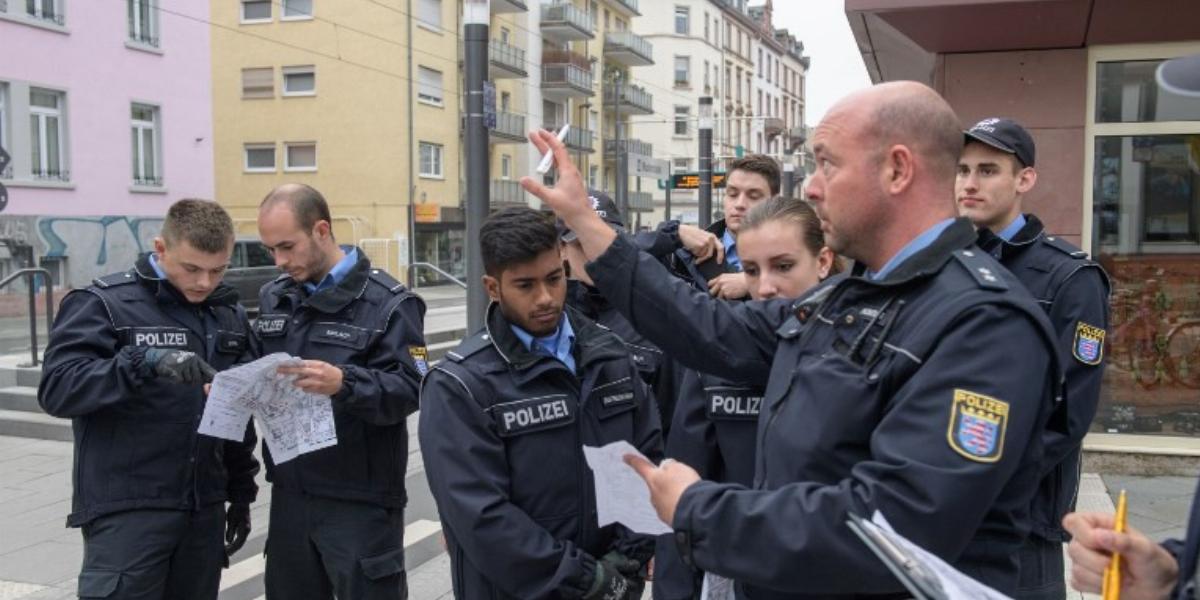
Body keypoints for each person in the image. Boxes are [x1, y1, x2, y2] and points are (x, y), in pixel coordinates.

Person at [521, 80, 1063, 597]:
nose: (811, 185)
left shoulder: (982, 323)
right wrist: (584, 223)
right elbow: (703, 325)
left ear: (898, 170)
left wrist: (696, 508)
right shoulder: (854, 295)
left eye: (827, 162)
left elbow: (893, 527)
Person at [419, 207, 663, 600]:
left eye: (554, 278)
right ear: (493, 287)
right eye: (525, 285)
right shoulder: (460, 385)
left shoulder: (610, 355)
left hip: (613, 586)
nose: (546, 297)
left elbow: (648, 458)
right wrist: (586, 580)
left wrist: (629, 558)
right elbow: (483, 517)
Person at [39, 199, 259, 600]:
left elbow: (237, 416)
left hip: (202, 509)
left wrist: (241, 494)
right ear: (161, 248)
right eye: (192, 268)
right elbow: (58, 389)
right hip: (129, 510)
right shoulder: (103, 303)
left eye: (219, 269)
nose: (205, 282)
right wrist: (142, 361)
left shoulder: (228, 315)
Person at [654, 197, 839, 600]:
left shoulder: (858, 351)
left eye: (784, 266)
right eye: (752, 271)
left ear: (823, 262)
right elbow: (684, 485)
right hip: (738, 575)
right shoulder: (715, 359)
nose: (766, 287)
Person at [956, 116, 1111, 599]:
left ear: (1024, 180)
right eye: (962, 170)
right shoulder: (948, 263)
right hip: (943, 507)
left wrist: (984, 481)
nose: (970, 183)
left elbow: (1068, 414)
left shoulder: (1069, 278)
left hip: (1019, 518)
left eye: (988, 170)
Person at [255, 184, 427, 600]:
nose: (279, 261)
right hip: (291, 495)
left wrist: (345, 383)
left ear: (321, 230)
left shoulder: (392, 304)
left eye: (287, 247)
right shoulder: (274, 298)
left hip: (360, 501)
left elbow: (413, 386)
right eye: (270, 250)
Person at [562, 189, 683, 436]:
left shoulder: (652, 316)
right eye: (580, 243)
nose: (592, 254)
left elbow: (674, 423)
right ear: (561, 249)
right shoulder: (546, 320)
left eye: (601, 242)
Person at [668, 154, 779, 300]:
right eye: (732, 194)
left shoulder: (799, 252)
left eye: (753, 196)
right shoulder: (686, 256)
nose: (739, 204)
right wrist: (672, 233)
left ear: (775, 202)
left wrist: (752, 282)